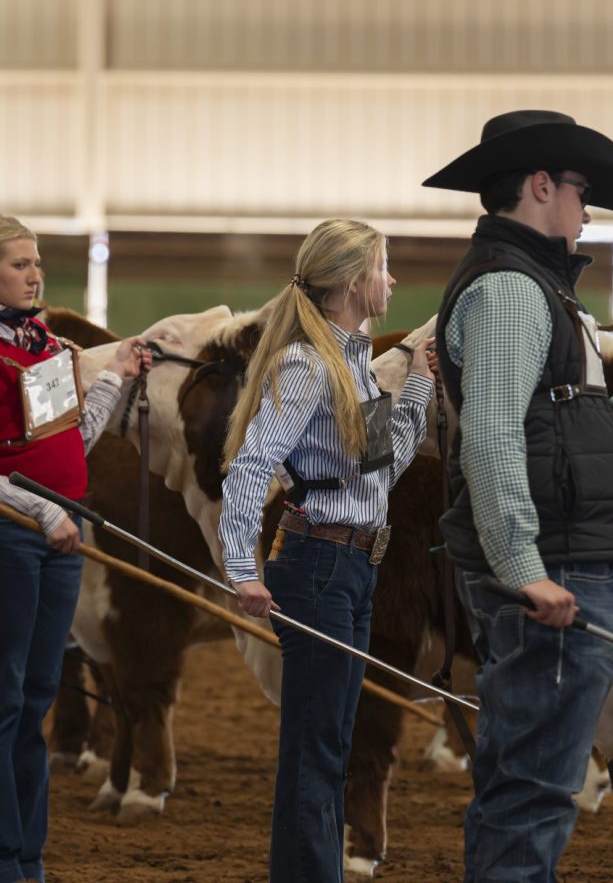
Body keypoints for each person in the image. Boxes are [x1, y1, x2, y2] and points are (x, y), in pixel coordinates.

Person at [422, 110, 613, 881]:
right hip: (556, 571)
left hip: (566, 562)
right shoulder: (509, 293)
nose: (587, 207)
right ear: (539, 186)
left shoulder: (544, 297)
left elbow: (598, 437)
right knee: (533, 792)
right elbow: (491, 433)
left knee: (528, 785)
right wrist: (522, 565)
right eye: (580, 189)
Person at [0, 212, 150, 883]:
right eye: (20, 264)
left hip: (53, 533)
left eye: (37, 261)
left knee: (36, 694)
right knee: (3, 695)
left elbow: (67, 441)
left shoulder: (38, 344)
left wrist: (113, 379)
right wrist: (45, 512)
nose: (35, 273)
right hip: (6, 539)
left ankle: (23, 856)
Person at [218, 218, 435, 883]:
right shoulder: (306, 365)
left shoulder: (357, 368)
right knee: (317, 748)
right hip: (317, 569)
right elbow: (251, 469)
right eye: (382, 268)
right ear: (350, 281)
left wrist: (420, 385)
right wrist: (242, 571)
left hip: (352, 569)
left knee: (331, 743)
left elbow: (380, 469)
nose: (391, 280)